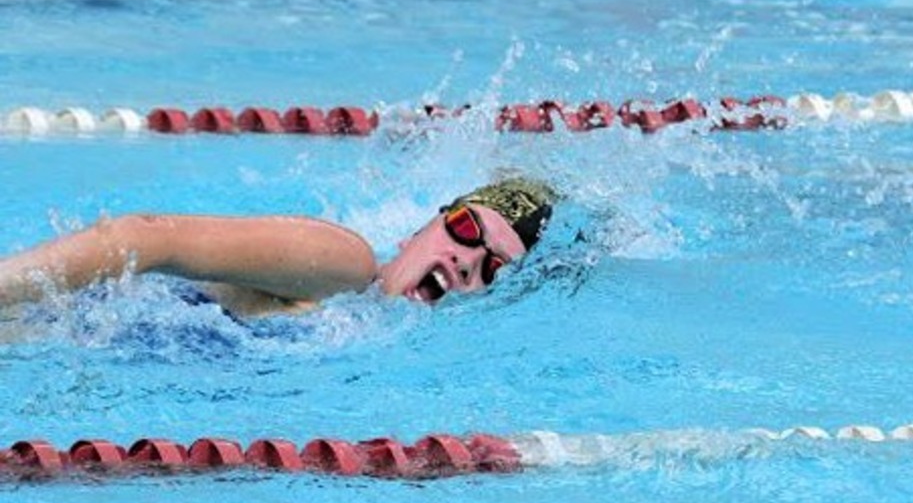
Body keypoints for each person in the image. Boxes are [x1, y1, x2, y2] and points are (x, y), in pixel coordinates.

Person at [0, 178, 556, 318]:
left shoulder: (355, 320)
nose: (466, 261)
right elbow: (148, 236)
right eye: (464, 231)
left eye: (493, 269)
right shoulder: (343, 264)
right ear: (415, 235)